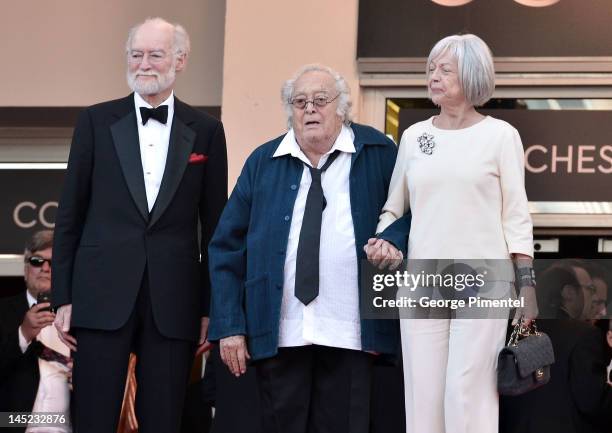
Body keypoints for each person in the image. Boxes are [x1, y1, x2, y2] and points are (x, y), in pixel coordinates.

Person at [208, 64, 409, 433]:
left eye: (320, 100)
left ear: (342, 107)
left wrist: (394, 240)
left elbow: (410, 212)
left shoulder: (378, 152)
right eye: (299, 102)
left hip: (351, 332)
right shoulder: (262, 162)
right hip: (282, 331)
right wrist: (230, 326)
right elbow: (225, 247)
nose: (310, 109)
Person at [51, 17, 227, 433]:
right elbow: (70, 213)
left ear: (180, 60)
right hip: (98, 295)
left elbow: (215, 226)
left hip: (174, 300)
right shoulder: (94, 121)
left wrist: (210, 307)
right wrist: (63, 296)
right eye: (136, 54)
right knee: (93, 416)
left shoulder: (206, 130)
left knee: (165, 418)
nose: (144, 64)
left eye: (155, 54)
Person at [368, 34, 537, 433]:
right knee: (423, 399)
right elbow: (395, 207)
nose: (434, 76)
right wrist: (384, 239)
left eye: (446, 69)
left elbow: (516, 216)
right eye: (431, 69)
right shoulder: (413, 137)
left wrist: (526, 285)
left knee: (466, 396)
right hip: (423, 278)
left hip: (485, 278)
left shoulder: (501, 136)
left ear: (473, 76)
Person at [500, 266, 612, 433]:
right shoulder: (584, 334)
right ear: (569, 293)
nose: (594, 297)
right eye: (591, 289)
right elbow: (591, 402)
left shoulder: (510, 330)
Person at [0, 230, 72, 433]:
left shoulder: (82, 318)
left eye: (54, 263)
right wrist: (23, 334)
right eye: (37, 261)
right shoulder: (3, 311)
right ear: (25, 269)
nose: (46, 268)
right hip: (12, 424)